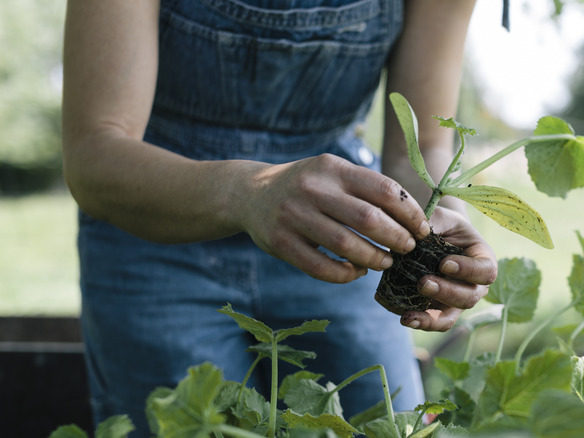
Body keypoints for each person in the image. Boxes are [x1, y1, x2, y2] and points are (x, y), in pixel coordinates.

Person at [62, 0, 497, 435]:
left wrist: (442, 217)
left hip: (337, 237)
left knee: (383, 422)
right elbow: (94, 154)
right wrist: (249, 193)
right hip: (155, 222)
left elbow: (418, 149)